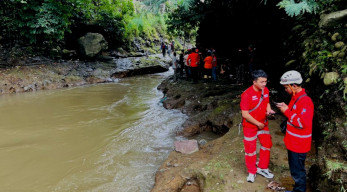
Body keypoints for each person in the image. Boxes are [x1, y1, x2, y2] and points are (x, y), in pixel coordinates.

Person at [276, 70, 314, 192]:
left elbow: (302, 123)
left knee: (298, 171)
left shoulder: (305, 101)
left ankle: (299, 191)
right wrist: (285, 107)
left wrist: (286, 111)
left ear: (294, 86)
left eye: (286, 87)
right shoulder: (295, 97)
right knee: (295, 169)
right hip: (293, 141)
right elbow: (293, 113)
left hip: (299, 144)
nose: (285, 89)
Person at [240, 69, 275, 183]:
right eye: (261, 82)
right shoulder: (246, 94)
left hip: (263, 123)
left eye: (265, 81)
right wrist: (257, 123)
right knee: (250, 149)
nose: (264, 84)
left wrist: (269, 110)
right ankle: (252, 171)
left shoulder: (265, 90)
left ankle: (262, 167)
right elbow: (245, 114)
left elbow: (267, 102)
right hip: (250, 126)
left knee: (267, 144)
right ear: (254, 82)